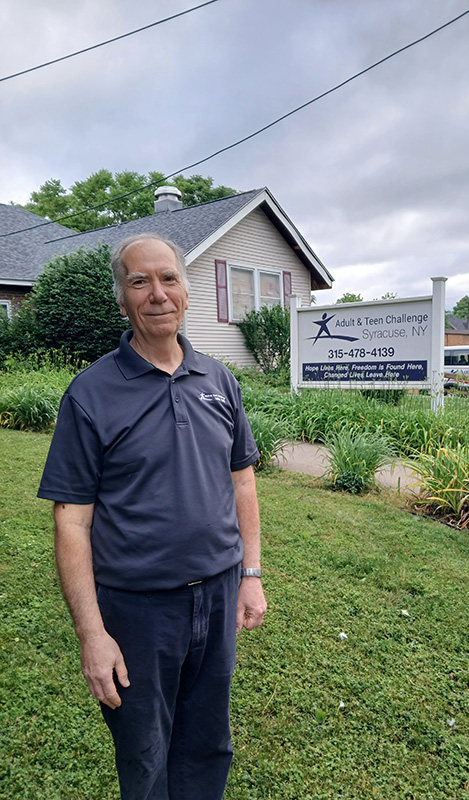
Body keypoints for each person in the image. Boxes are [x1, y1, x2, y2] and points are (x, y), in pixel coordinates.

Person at [38, 232, 267, 800]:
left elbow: (241, 479)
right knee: (144, 755)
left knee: (208, 741)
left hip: (217, 595)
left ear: (186, 290)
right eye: (140, 282)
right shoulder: (90, 394)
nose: (157, 293)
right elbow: (72, 522)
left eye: (169, 278)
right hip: (137, 609)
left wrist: (251, 574)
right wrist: (92, 634)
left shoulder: (218, 380)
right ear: (123, 300)